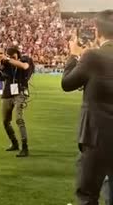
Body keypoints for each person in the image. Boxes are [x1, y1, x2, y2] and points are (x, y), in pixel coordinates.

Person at [61, 10, 113, 205]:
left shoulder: (92, 57)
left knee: (88, 196)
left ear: (97, 31)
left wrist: (74, 56)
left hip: (95, 138)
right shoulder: (95, 56)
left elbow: (67, 84)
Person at [0, 46, 33, 158]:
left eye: (13, 56)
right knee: (5, 121)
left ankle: (25, 147)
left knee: (19, 119)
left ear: (18, 54)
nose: (11, 58)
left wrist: (8, 59)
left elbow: (24, 66)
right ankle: (14, 143)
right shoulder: (7, 63)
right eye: (10, 56)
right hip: (7, 93)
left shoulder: (25, 59)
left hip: (20, 92)